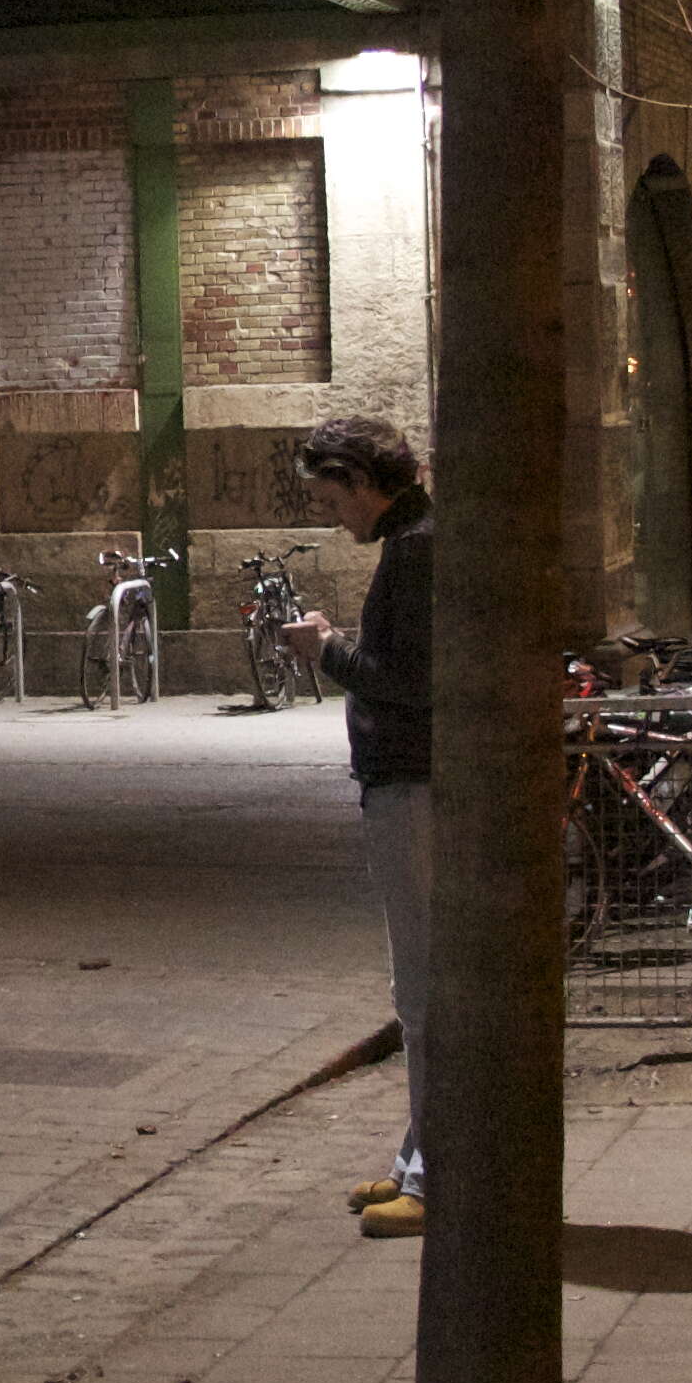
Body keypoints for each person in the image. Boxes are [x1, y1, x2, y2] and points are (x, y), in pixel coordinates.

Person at [287, 418, 434, 1241]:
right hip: (408, 782)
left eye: (330, 498)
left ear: (361, 482)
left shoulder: (414, 552)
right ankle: (418, 1161)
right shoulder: (416, 541)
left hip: (411, 786)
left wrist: (328, 650)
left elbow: (403, 681)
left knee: (422, 990)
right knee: (419, 988)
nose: (329, 515)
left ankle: (435, 1176)